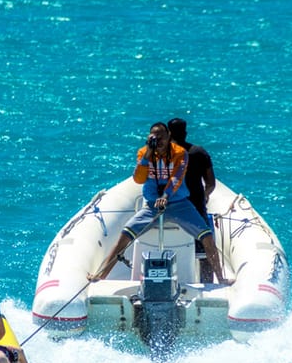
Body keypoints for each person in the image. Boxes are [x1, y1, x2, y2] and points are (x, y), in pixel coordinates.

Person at [87, 122, 233, 285]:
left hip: (178, 203)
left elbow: (176, 178)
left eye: (162, 137)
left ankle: (221, 278)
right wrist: (148, 154)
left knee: (206, 236)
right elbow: (139, 178)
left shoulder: (180, 153)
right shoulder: (144, 153)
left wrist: (166, 195)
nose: (159, 141)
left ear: (169, 136)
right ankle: (101, 275)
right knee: (125, 235)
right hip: (152, 206)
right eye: (155, 138)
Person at [168, 117, 216, 282]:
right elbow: (210, 183)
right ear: (186, 132)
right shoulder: (199, 152)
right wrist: (205, 196)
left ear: (168, 134)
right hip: (195, 206)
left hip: (169, 207)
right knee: (205, 244)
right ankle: (207, 281)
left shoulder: (163, 153)